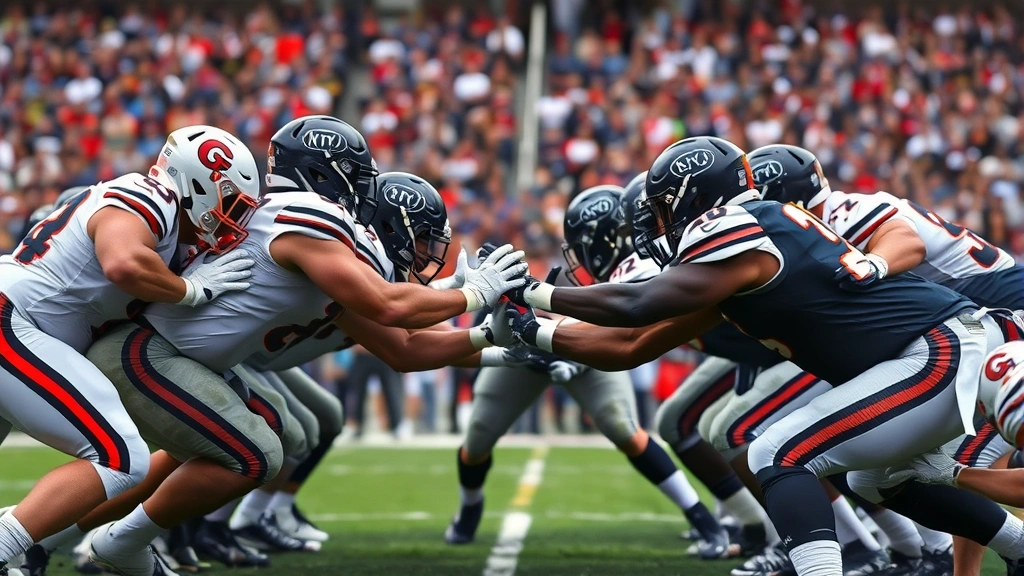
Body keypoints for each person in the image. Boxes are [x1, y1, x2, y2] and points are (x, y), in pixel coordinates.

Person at [497, 136, 1024, 576]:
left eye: (661, 208)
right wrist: (531, 331)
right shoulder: (735, 264)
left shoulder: (737, 225)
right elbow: (630, 345)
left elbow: (638, 303)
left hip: (936, 346)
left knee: (775, 451)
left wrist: (532, 293)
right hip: (930, 349)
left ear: (693, 199)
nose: (653, 224)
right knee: (879, 479)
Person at [44, 125, 526, 576]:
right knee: (253, 452)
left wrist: (488, 335)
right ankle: (117, 542)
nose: (365, 191)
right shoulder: (307, 220)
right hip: (150, 354)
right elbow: (388, 304)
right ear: (328, 177)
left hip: (179, 358)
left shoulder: (319, 241)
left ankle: (56, 538)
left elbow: (403, 348)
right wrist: (473, 295)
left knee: (244, 440)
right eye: (358, 178)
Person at [0, 124, 260, 576]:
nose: (228, 222)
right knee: (119, 456)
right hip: (14, 320)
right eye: (228, 205)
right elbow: (122, 262)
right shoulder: (150, 195)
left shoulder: (165, 228)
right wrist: (189, 290)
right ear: (196, 183)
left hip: (21, 324)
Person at [445, 184, 752, 559]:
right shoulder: (609, 270)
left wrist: (543, 323)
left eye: (578, 245)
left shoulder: (638, 271)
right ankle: (470, 506)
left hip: (588, 354)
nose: (574, 258)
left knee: (625, 428)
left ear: (601, 240)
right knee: (477, 437)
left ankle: (701, 515)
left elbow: (618, 328)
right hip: (528, 354)